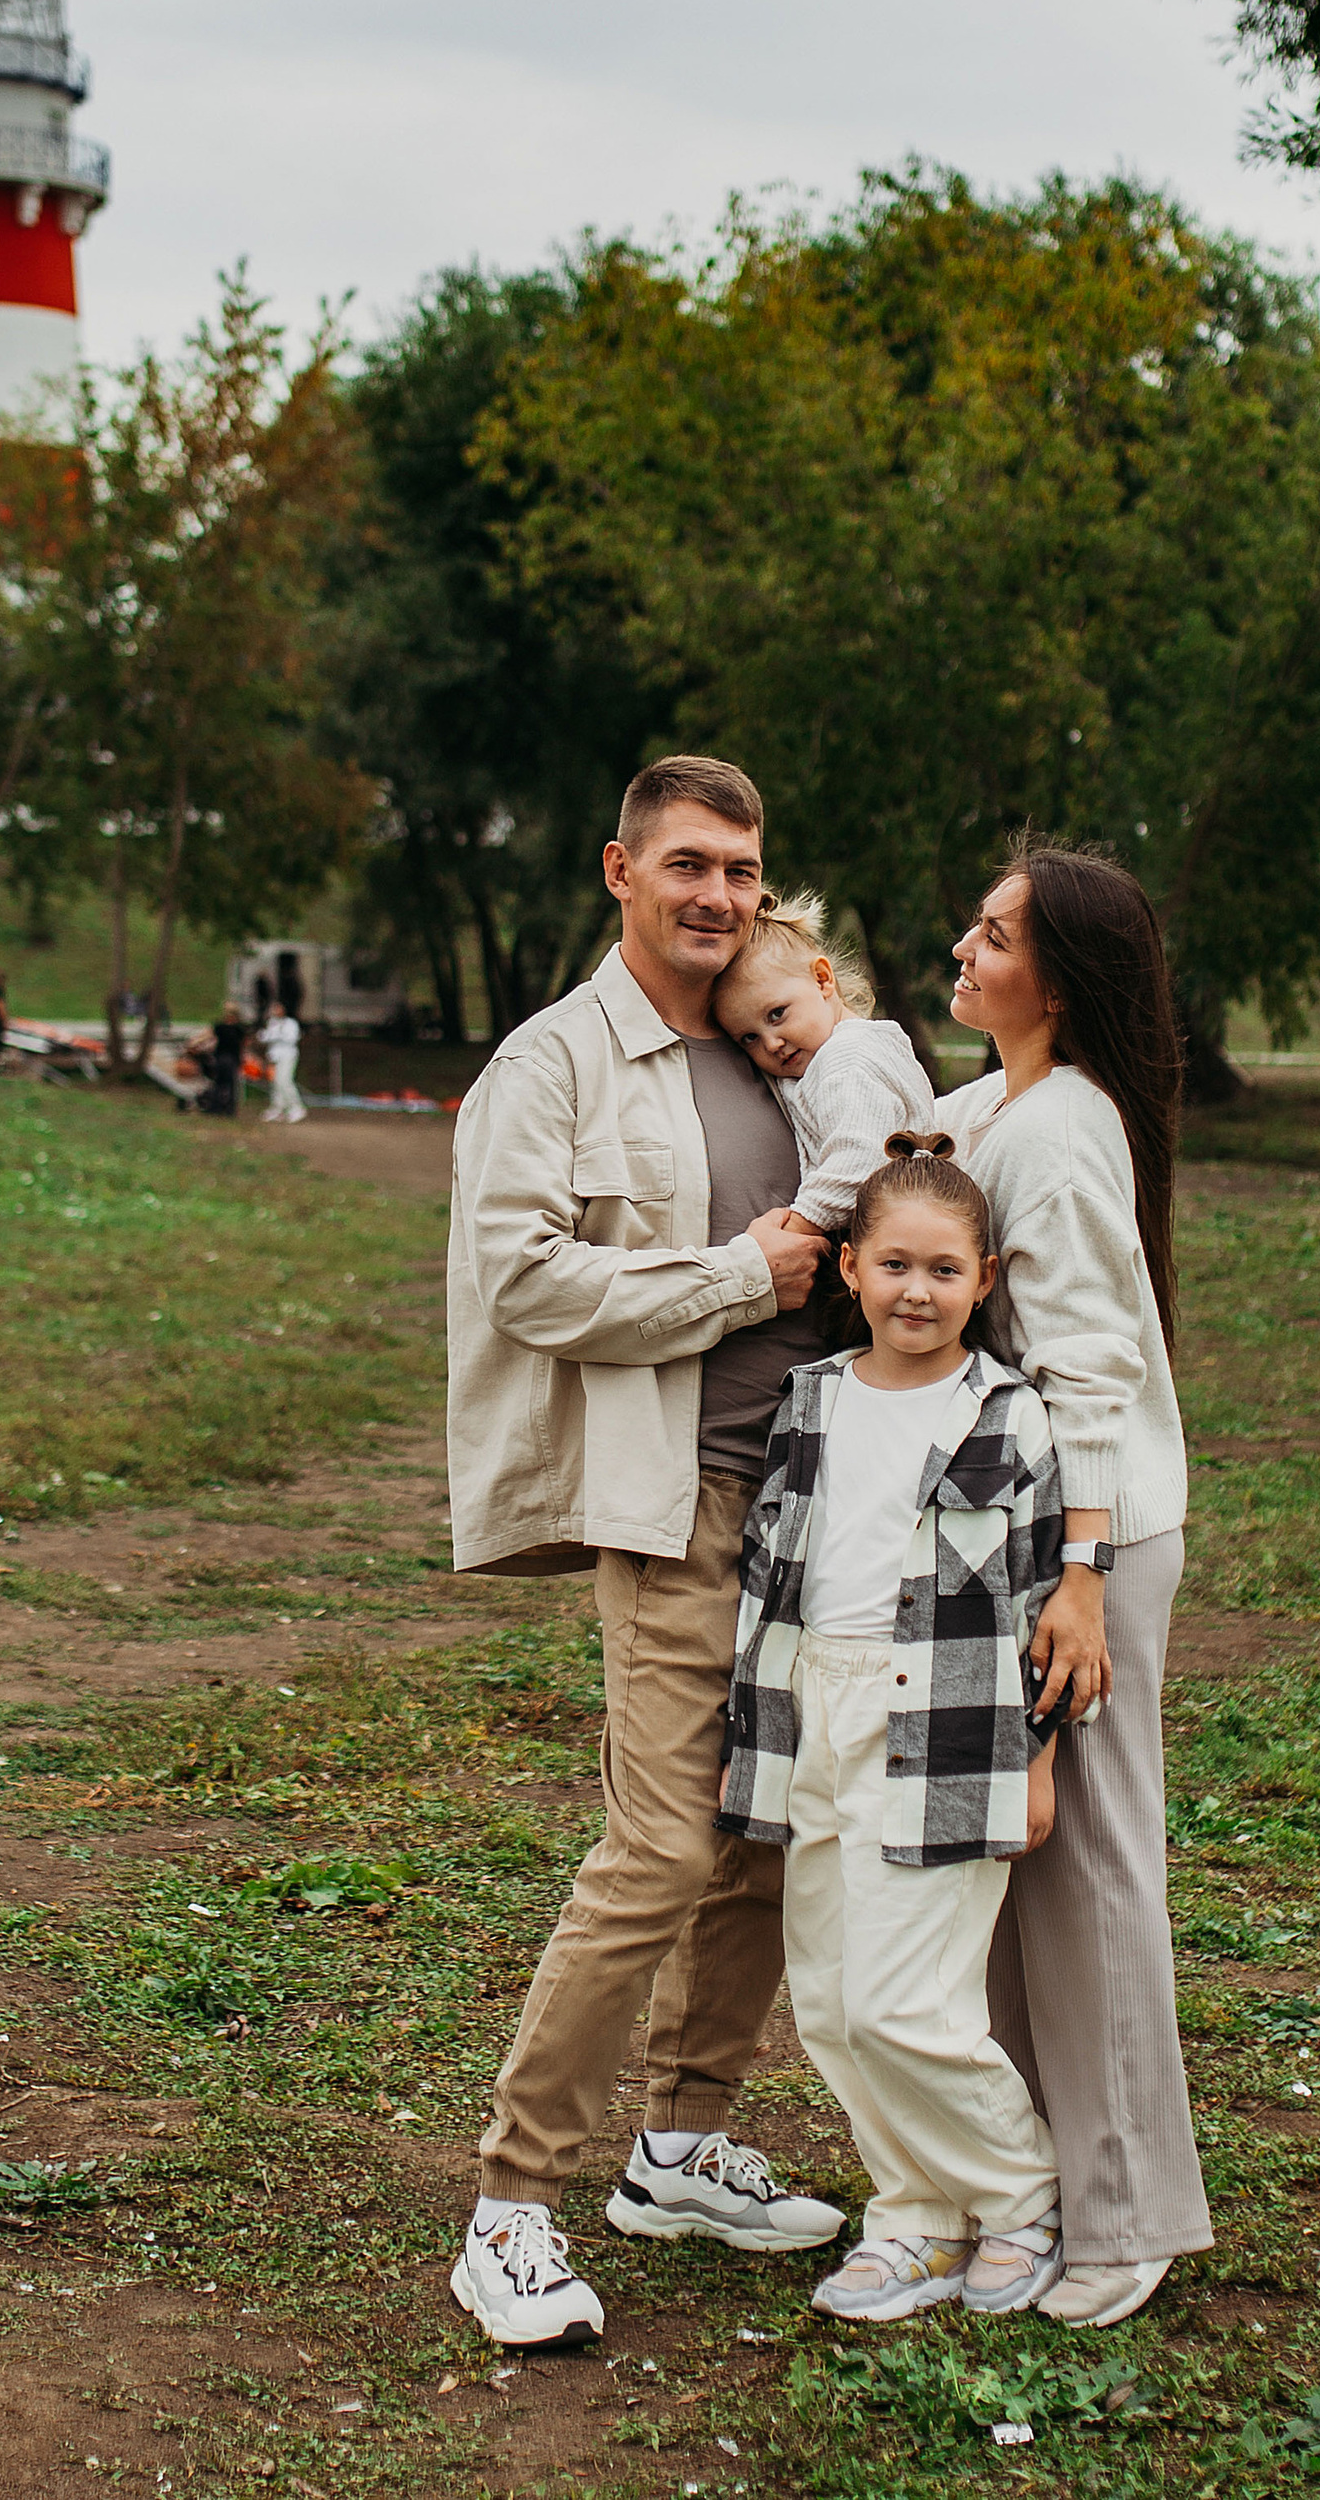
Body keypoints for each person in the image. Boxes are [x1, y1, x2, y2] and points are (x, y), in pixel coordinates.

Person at [445, 756, 840, 2352]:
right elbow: (526, 1282)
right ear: (619, 870)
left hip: (816, 1506)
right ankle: (511, 2203)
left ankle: (678, 2146)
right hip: (672, 1499)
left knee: (757, 1841)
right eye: (688, 862)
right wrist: (740, 1273)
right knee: (666, 1845)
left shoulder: (782, 1047)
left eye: (741, 868)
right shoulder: (556, 1062)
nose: (718, 894)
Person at [719, 1136, 1069, 2322]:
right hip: (811, 1705)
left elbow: (1033, 1609)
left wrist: (1038, 1759)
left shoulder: (1008, 1417)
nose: (917, 1292)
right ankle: (914, 2219)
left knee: (903, 2002)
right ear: (852, 1272)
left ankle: (1018, 2201)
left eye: (944, 1271)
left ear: (982, 1284)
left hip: (952, 1723)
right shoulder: (810, 1399)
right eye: (894, 1266)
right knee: (825, 1997)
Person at [937, 838, 1210, 2329]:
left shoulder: (1062, 1129)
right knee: (1010, 1867)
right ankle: (1028, 2183)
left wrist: (1086, 1578)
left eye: (996, 935)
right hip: (1018, 1536)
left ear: (1063, 974)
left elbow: (1094, 1364)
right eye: (973, 927)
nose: (966, 949)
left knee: (1091, 1868)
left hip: (1087, 1543)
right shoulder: (992, 1104)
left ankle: (1131, 2212)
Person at [714, 891, 935, 1249]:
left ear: (822, 979)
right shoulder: (839, 1053)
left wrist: (796, 1231)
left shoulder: (846, 1060)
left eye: (777, 1014)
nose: (771, 1043)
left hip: (900, 1248)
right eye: (749, 1038)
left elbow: (861, 1162)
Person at [261, 1002, 306, 1124]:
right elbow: (264, 1037)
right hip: (275, 1057)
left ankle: (296, 1107)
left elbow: (291, 1038)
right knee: (275, 1082)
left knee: (284, 1081)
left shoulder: (291, 1023)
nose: (275, 1012)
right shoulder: (272, 1023)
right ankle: (277, 1108)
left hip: (288, 1056)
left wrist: (274, 1036)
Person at [202, 1005, 248, 1117]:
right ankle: (223, 1106)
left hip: (228, 1057)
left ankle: (223, 1106)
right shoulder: (222, 1027)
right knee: (223, 1083)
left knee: (225, 1083)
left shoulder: (237, 1029)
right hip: (224, 1057)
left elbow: (243, 1044)